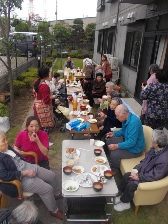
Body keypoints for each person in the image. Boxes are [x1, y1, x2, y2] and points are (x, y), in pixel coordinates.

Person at [0, 132, 63, 220]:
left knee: (51, 175)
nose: (7, 142)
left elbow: (18, 158)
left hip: (27, 166)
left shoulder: (6, 148)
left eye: (6, 139)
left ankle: (56, 194)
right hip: (20, 178)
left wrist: (29, 164)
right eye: (3, 141)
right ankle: (53, 210)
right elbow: (4, 176)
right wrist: (25, 173)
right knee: (47, 189)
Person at [114, 129, 168, 212]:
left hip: (151, 179)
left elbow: (156, 175)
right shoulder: (154, 149)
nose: (150, 140)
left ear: (156, 143)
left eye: (152, 139)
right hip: (144, 172)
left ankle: (125, 203)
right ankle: (122, 195)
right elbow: (145, 160)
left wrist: (139, 177)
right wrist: (137, 168)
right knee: (127, 176)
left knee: (132, 184)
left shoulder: (164, 159)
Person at [105, 104, 145, 171]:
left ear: (123, 114)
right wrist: (114, 134)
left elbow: (132, 142)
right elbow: (123, 131)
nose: (116, 117)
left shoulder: (133, 123)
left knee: (114, 154)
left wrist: (117, 146)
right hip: (127, 141)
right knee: (109, 141)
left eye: (117, 116)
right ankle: (111, 160)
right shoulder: (126, 119)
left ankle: (115, 169)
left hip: (135, 149)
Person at [33, 67, 55, 131]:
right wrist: (52, 97)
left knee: (38, 124)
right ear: (46, 75)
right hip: (42, 109)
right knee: (42, 125)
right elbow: (46, 100)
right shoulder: (44, 86)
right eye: (49, 72)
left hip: (36, 106)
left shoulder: (36, 81)